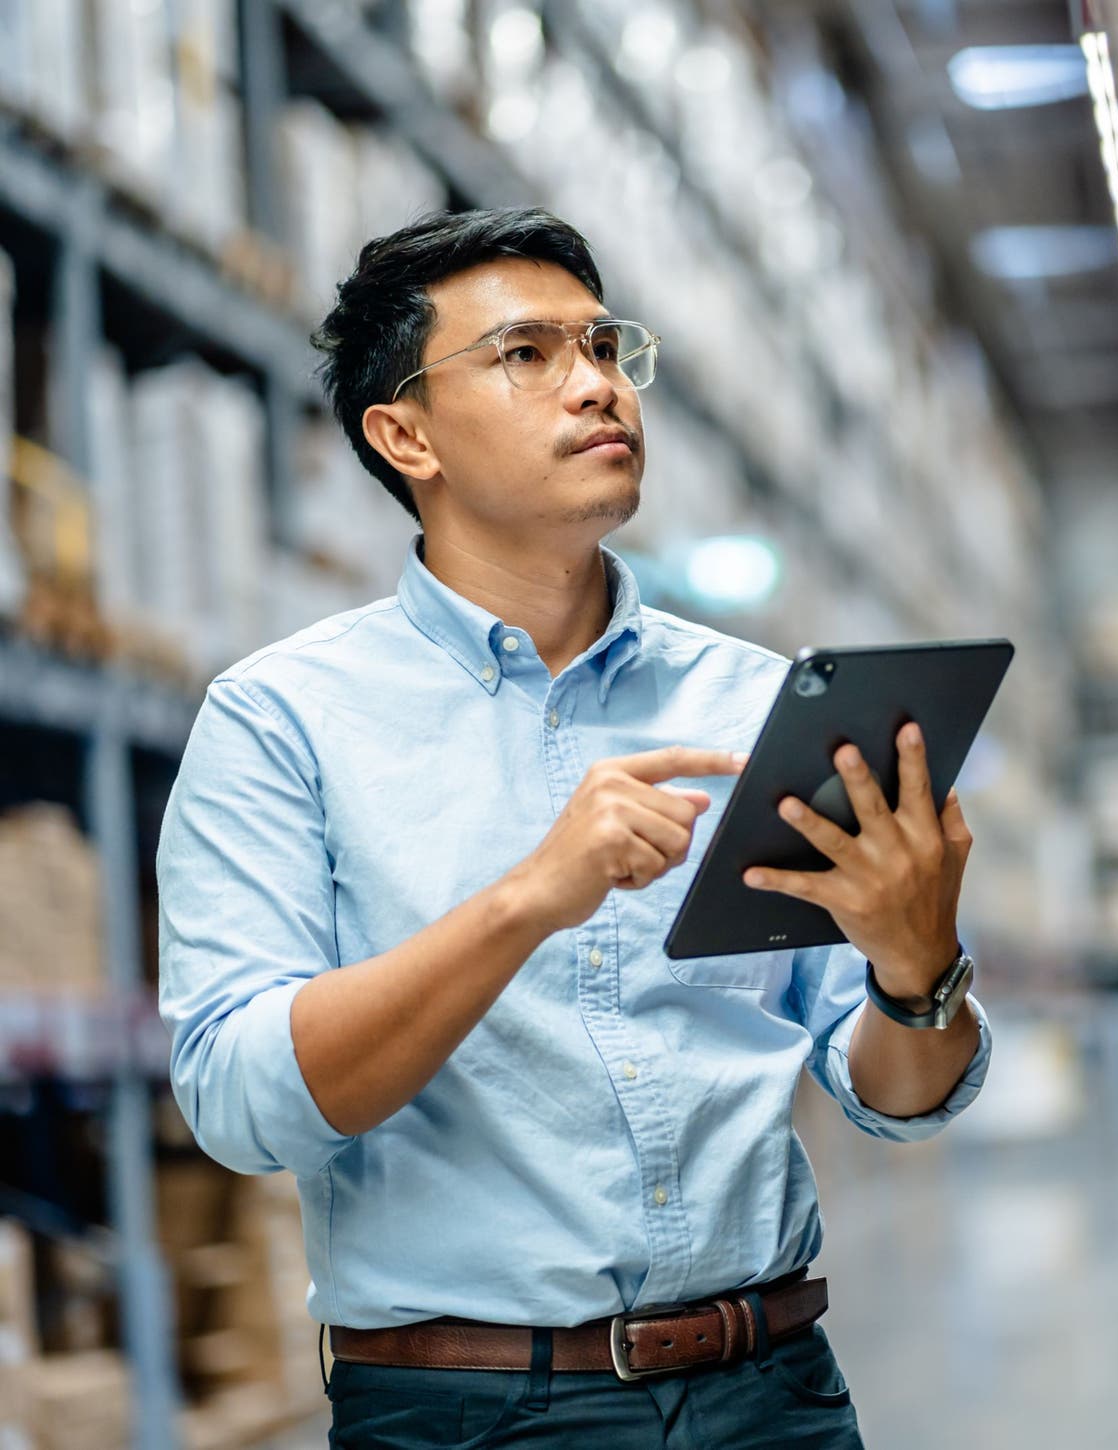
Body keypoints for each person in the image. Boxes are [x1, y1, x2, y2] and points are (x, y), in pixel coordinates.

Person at [158, 208, 991, 1449]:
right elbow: (239, 1102)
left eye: (603, 346)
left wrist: (915, 966)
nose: (597, 384)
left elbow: (899, 1100)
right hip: (463, 1415)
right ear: (404, 434)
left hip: (773, 1394)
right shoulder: (284, 720)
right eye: (525, 355)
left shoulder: (761, 706)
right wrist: (526, 899)